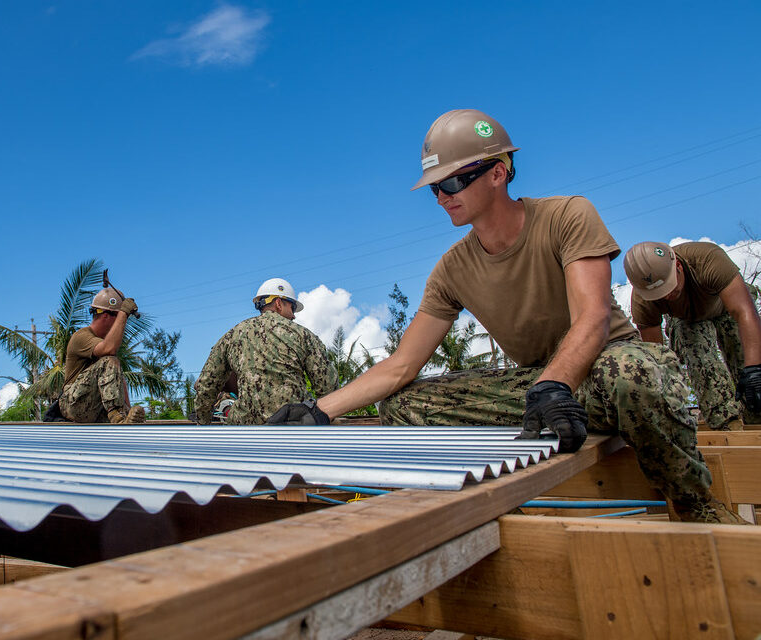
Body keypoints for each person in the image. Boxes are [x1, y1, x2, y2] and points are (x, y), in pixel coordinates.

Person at [268, 109, 743, 523]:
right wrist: (318, 411)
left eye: (452, 182)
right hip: (539, 391)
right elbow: (401, 366)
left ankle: (692, 501)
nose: (441, 197)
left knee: (632, 372)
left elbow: (592, 318)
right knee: (404, 405)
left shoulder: (568, 216)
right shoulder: (452, 267)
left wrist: (556, 385)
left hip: (604, 370)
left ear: (498, 172)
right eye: (434, 188)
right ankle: (500, 501)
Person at [624, 241, 761, 429]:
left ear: (678, 267)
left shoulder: (708, 260)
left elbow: (744, 312)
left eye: (670, 288)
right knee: (698, 357)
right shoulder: (643, 300)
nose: (666, 296)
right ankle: (726, 422)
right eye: (658, 294)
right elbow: (657, 356)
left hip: (725, 307)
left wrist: (754, 369)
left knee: (747, 360)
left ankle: (757, 416)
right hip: (687, 319)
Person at [194, 278, 336, 425]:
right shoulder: (304, 335)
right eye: (292, 308)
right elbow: (328, 388)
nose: (294, 315)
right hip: (294, 429)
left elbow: (207, 383)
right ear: (279, 303)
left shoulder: (232, 335)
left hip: (243, 431)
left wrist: (203, 423)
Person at [57, 288, 145, 424]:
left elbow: (118, 380)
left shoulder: (104, 342)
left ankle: (121, 415)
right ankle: (116, 416)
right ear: (106, 316)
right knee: (110, 361)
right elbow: (108, 349)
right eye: (118, 318)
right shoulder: (81, 337)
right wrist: (123, 313)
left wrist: (129, 412)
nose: (122, 324)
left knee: (115, 370)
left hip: (95, 408)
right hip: (73, 405)